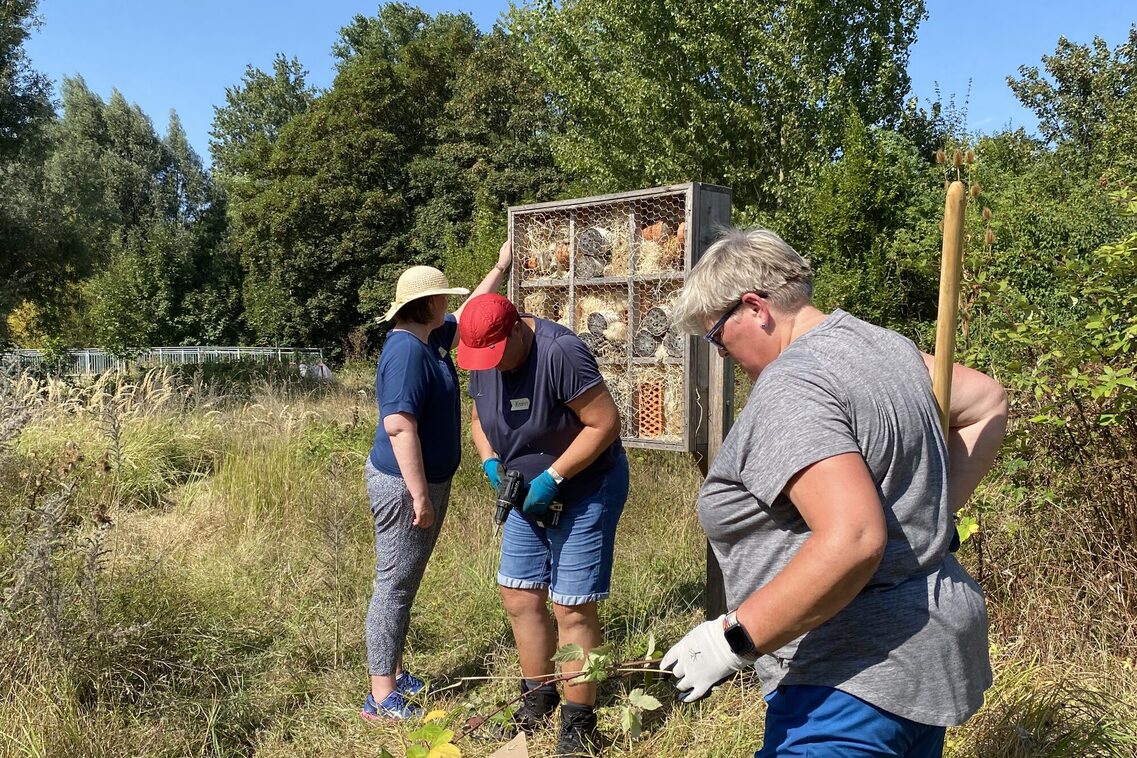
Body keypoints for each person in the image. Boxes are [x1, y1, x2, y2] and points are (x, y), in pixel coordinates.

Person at [660, 228, 1008, 757]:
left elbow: (854, 538)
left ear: (755, 308)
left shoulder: (793, 387)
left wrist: (732, 640)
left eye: (717, 335)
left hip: (849, 677)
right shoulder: (883, 345)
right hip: (923, 656)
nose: (722, 353)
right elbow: (986, 400)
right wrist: (925, 521)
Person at [456, 293, 628, 757]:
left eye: (498, 354)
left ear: (516, 328)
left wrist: (554, 476)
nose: (491, 365)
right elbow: (478, 417)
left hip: (586, 487)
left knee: (572, 606)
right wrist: (490, 461)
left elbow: (604, 423)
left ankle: (579, 721)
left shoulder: (560, 352)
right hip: (523, 493)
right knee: (519, 594)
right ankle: (537, 697)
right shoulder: (483, 354)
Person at [361, 242, 512, 721]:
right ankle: (380, 696)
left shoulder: (429, 336)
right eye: (442, 297)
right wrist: (419, 495)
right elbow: (399, 427)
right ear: (425, 304)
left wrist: (501, 266)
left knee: (404, 581)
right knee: (394, 585)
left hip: (422, 483)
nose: (448, 303)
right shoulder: (406, 352)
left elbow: (469, 315)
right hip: (404, 486)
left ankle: (393, 672)